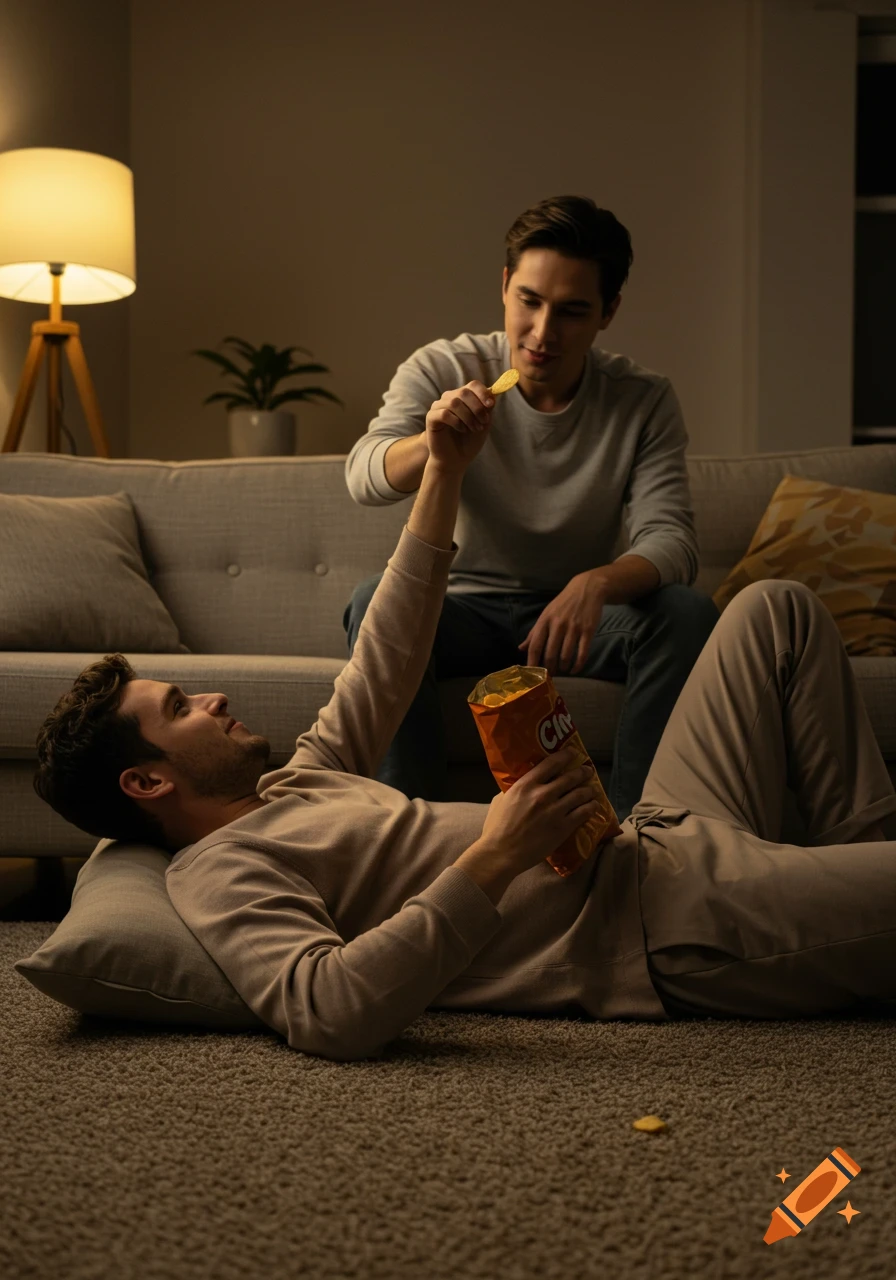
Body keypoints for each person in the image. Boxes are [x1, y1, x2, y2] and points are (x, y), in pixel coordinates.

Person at [33, 403, 896, 1060]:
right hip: (657, 919)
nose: (212, 699)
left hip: (656, 828)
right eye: (180, 708)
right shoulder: (222, 875)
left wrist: (444, 469)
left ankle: (857, 859)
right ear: (147, 782)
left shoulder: (295, 782)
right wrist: (495, 853)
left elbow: (389, 651)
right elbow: (330, 1009)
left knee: (774, 610)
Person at [343, 194, 720, 820]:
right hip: (455, 608)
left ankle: (642, 837)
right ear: (504, 286)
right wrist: (433, 444)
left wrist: (596, 583)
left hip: (575, 625)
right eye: (530, 302)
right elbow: (364, 474)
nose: (543, 335)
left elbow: (672, 540)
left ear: (608, 313)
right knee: (371, 600)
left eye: (572, 311)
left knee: (684, 615)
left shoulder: (642, 399)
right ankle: (410, 831)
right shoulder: (444, 366)